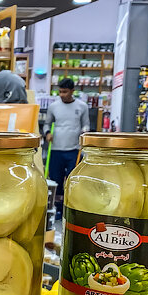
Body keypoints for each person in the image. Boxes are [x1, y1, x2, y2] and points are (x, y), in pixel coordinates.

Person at [44, 78, 90, 217]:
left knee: (72, 180)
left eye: (65, 92)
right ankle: (57, 208)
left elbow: (86, 124)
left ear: (72, 91)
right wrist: (47, 133)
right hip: (56, 149)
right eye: (60, 92)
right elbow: (47, 124)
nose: (62, 95)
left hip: (74, 150)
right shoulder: (53, 107)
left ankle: (70, 207)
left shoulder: (82, 106)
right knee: (56, 179)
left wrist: (84, 131)